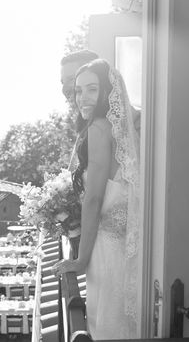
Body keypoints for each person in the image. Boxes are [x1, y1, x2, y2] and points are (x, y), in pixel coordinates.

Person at [52, 59, 141, 339]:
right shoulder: (127, 128)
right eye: (79, 90)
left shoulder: (99, 128)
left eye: (92, 89)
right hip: (128, 248)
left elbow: (94, 198)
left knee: (107, 326)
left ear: (107, 92)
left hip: (108, 251)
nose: (82, 98)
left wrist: (80, 260)